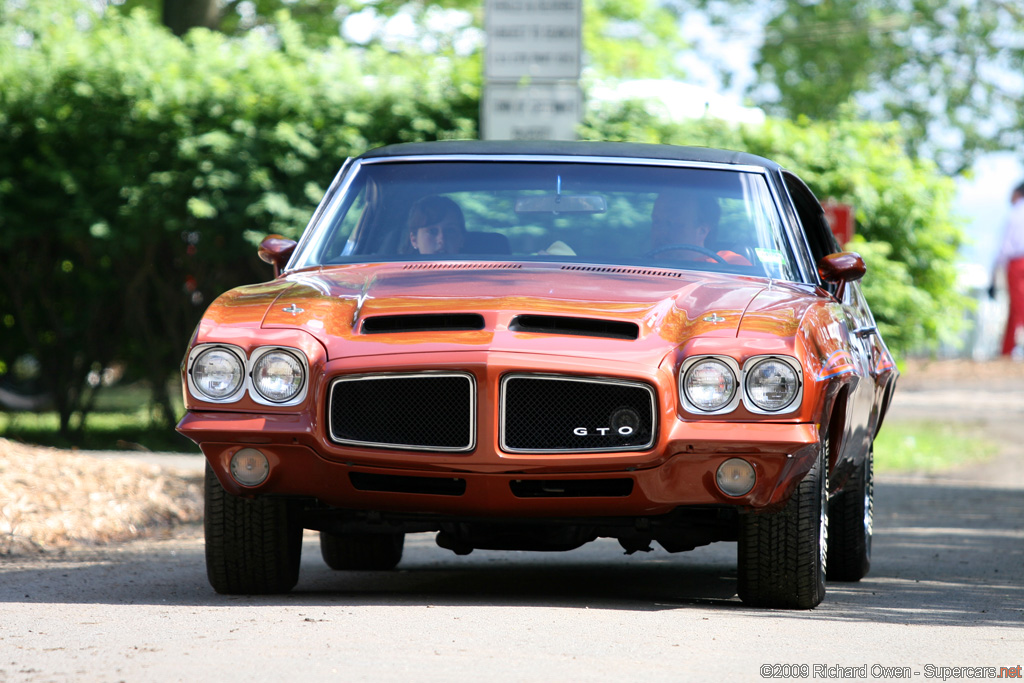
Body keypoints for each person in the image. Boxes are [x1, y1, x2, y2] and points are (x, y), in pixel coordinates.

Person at [649, 191, 750, 265]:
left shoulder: (729, 264)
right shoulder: (637, 266)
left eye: (672, 223)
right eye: (656, 222)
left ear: (702, 231)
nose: (661, 231)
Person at [990, 181, 1024, 356]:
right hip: (1017, 261)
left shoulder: (1015, 213)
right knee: (1016, 306)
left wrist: (994, 274)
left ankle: (1011, 348)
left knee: (1019, 305)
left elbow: (1004, 247)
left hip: (1017, 263)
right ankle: (1007, 349)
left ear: (1018, 193)